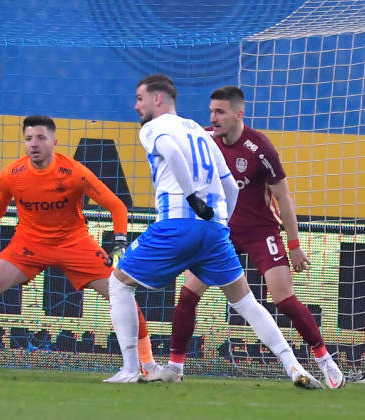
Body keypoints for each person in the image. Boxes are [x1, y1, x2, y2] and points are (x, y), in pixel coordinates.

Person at [105, 74, 322, 388]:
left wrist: (192, 197)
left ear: (157, 99)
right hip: (216, 230)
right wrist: (221, 223)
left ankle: (130, 369)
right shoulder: (197, 129)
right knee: (246, 302)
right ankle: (293, 366)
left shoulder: (154, 128)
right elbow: (230, 184)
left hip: (177, 225)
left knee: (119, 283)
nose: (135, 105)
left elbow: (172, 153)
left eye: (140, 98)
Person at [0, 115, 160, 377]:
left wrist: (119, 240)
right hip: (29, 244)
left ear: (54, 141)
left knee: (121, 294)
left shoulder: (74, 172)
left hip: (74, 243)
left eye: (40, 138)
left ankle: (148, 364)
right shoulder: (12, 174)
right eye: (28, 139)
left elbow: (117, 205)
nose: (33, 144)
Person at [164, 85, 345, 389]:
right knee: (187, 295)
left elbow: (283, 197)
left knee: (284, 299)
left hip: (261, 231)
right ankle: (175, 366)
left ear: (239, 114)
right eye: (211, 111)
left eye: (219, 112)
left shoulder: (260, 148)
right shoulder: (205, 140)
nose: (213, 117)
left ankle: (324, 358)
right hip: (220, 232)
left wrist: (295, 243)